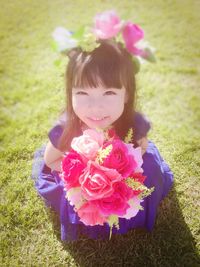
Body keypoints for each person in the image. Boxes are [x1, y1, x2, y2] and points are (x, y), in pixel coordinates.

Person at [32, 13, 173, 242]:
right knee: (75, 196)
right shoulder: (65, 129)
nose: (95, 108)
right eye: (82, 93)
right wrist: (83, 180)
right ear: (70, 94)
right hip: (84, 182)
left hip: (124, 178)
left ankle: (131, 214)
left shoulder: (133, 124)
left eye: (109, 92)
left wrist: (121, 178)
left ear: (126, 94)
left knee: (151, 172)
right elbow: (51, 161)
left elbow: (143, 149)